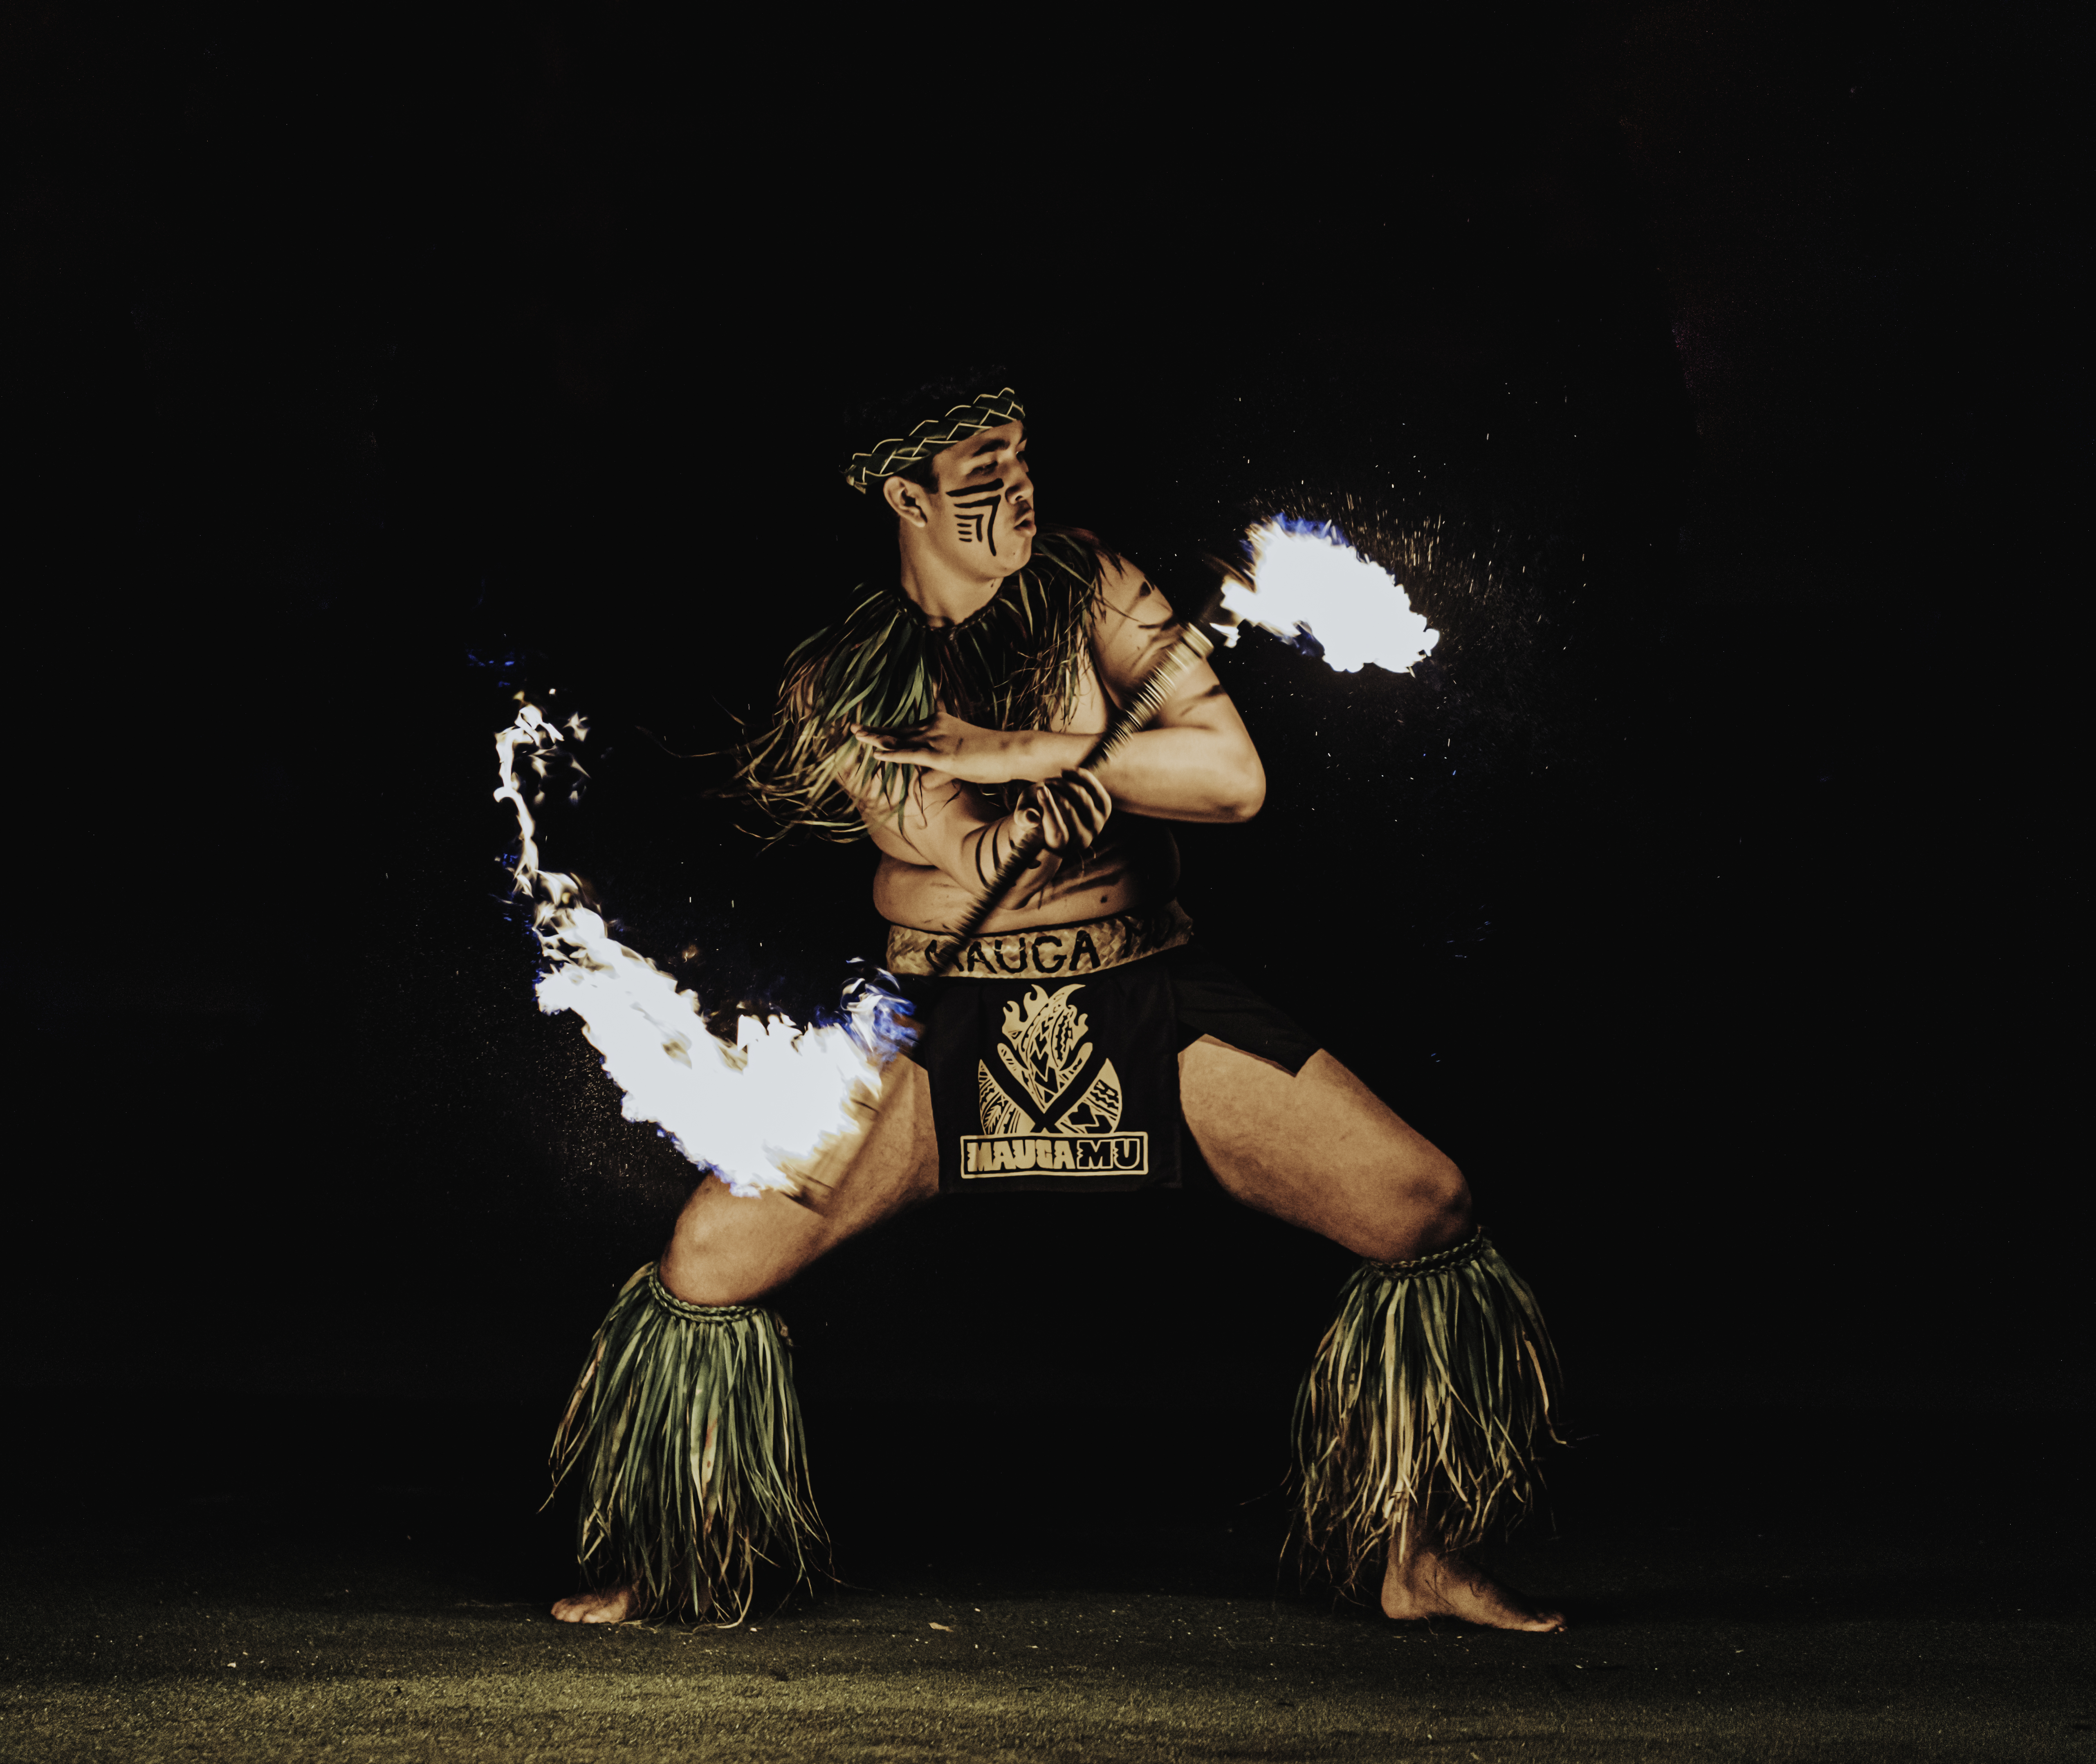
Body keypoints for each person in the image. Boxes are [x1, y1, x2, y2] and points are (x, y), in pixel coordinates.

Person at [544, 377, 1564, 1632]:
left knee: (1426, 1203)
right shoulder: (846, 678)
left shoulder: (1097, 585)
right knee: (705, 1264)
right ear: (905, 498)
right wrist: (1023, 810)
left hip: (1145, 993)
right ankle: (676, 1561)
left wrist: (1062, 757)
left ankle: (1425, 1558)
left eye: (1022, 464)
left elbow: (1231, 778)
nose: (1018, 494)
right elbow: (955, 853)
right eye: (982, 483)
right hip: (939, 1028)